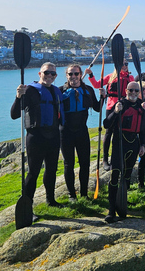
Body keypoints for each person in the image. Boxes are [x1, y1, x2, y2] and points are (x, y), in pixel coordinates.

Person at [11, 62, 65, 217]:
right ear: (40, 74)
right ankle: (29, 207)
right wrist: (18, 96)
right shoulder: (30, 91)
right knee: (33, 173)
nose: (49, 76)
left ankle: (51, 200)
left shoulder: (56, 91)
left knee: (52, 170)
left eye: (53, 74)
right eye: (46, 72)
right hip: (36, 137)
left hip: (53, 136)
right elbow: (14, 114)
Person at [103, 81, 145, 223]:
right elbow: (106, 124)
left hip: (134, 144)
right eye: (130, 90)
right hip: (119, 144)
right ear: (126, 91)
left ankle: (122, 203)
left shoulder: (141, 106)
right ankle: (111, 210)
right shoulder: (120, 104)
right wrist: (115, 112)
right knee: (115, 175)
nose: (133, 93)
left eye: (136, 91)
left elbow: (144, 128)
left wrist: (144, 145)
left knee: (127, 176)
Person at [59, 64, 104, 201]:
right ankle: (72, 195)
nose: (73, 77)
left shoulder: (88, 89)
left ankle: (84, 194)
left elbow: (97, 108)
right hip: (65, 132)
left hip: (82, 131)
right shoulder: (60, 90)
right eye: (70, 74)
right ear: (66, 76)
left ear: (80, 75)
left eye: (76, 74)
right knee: (69, 164)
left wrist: (103, 97)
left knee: (85, 163)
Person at [84, 61, 134, 171]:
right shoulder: (111, 77)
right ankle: (105, 159)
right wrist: (91, 75)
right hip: (111, 106)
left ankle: (115, 158)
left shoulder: (130, 78)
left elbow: (134, 91)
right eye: (123, 64)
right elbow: (97, 84)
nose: (125, 66)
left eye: (126, 64)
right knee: (108, 132)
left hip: (123, 107)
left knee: (118, 132)